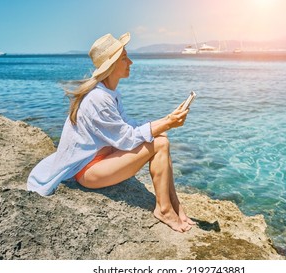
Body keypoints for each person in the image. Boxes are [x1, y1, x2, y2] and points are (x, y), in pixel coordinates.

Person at [27, 32, 195, 232]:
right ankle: (164, 209)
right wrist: (168, 122)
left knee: (161, 137)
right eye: (125, 58)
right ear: (113, 64)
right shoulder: (98, 98)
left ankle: (174, 204)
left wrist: (165, 121)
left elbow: (126, 125)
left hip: (98, 159)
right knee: (159, 142)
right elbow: (126, 139)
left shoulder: (108, 93)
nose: (130, 62)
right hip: (87, 172)